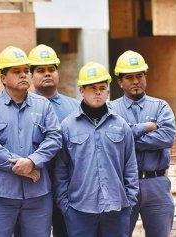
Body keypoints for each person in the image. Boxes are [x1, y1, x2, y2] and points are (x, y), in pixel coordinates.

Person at [0, 46, 62, 237]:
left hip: (38, 197)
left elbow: (55, 138)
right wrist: (20, 166)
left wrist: (32, 162)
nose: (24, 75)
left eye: (26, 70)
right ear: (3, 78)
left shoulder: (43, 105)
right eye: (16, 72)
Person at [54, 61, 139, 237]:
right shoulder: (67, 127)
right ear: (82, 91)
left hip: (117, 209)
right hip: (79, 210)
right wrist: (66, 206)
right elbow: (60, 170)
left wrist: (130, 201)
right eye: (92, 88)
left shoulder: (121, 125)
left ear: (108, 90)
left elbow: (130, 166)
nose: (98, 92)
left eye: (102, 87)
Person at [109, 50, 176, 237]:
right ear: (120, 82)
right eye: (129, 77)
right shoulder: (111, 110)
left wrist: (128, 135)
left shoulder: (161, 106)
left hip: (156, 184)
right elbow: (111, 140)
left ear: (146, 77)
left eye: (139, 76)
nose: (136, 81)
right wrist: (146, 127)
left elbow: (167, 137)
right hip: (122, 185)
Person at [28, 44, 79, 237]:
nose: (47, 74)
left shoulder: (75, 108)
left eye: (51, 69)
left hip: (68, 187)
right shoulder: (21, 108)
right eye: (40, 70)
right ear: (31, 75)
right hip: (35, 186)